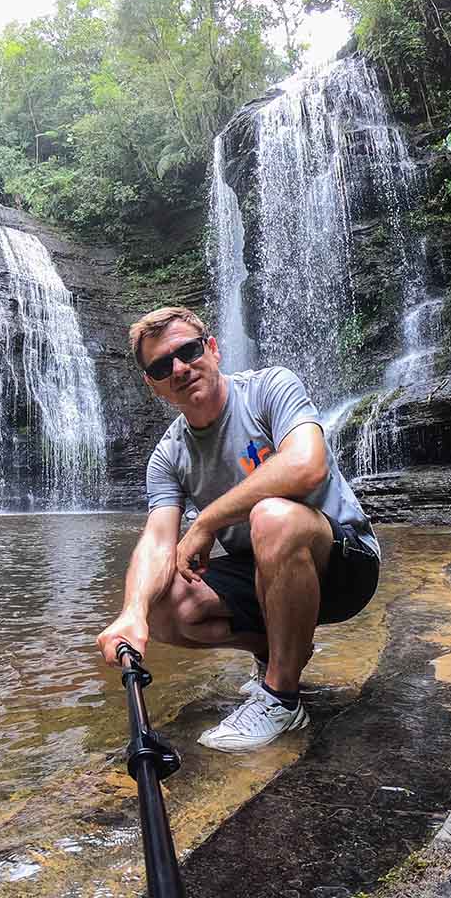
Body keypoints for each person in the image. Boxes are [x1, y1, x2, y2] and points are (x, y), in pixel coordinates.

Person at [97, 306, 381, 752]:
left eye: (188, 351)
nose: (179, 368)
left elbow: (307, 465)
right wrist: (132, 611)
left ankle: (282, 698)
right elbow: (156, 540)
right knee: (164, 602)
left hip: (343, 563)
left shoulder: (270, 387)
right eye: (160, 366)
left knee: (272, 516)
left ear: (212, 348)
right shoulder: (169, 455)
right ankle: (279, 652)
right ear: (152, 384)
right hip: (262, 574)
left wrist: (207, 520)